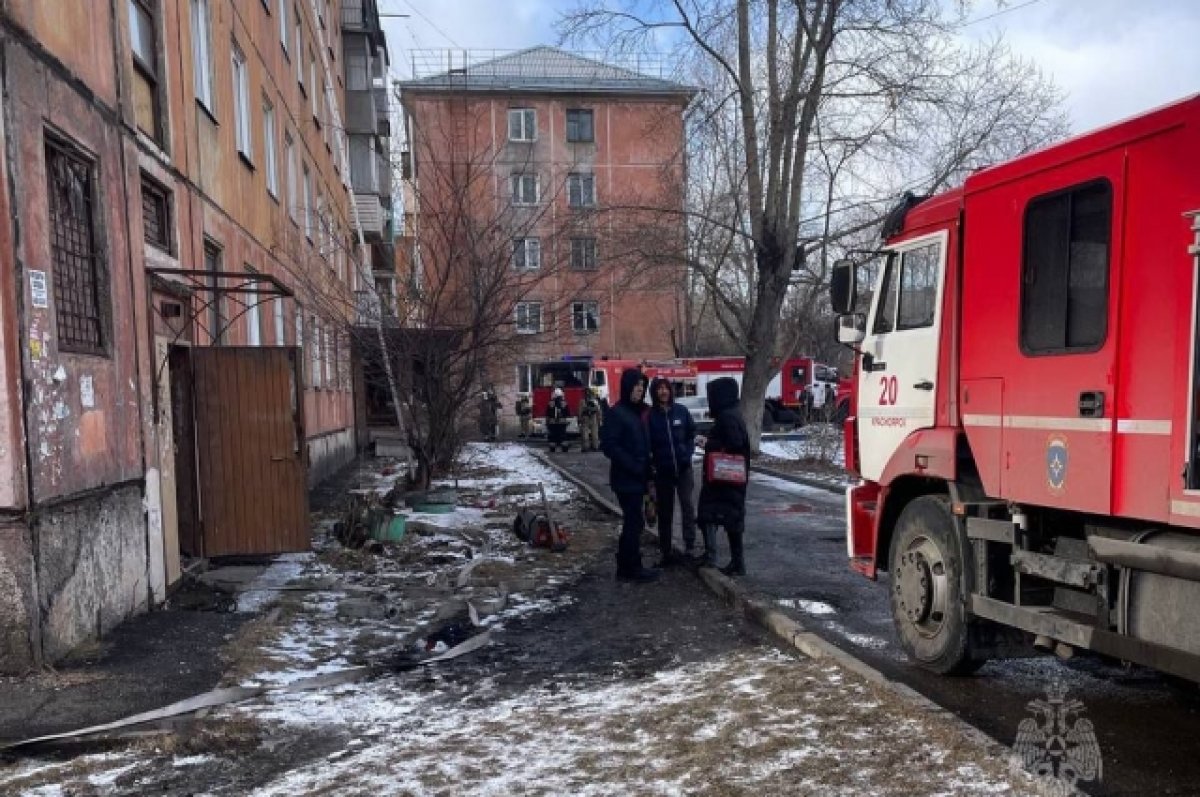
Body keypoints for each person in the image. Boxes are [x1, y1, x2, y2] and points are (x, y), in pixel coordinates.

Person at [600, 369, 659, 583]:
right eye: (636, 386)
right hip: (626, 479)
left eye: (642, 387)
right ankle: (630, 567)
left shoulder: (642, 411)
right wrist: (634, 466)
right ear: (627, 387)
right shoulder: (617, 413)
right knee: (634, 522)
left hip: (643, 476)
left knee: (636, 522)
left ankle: (627, 565)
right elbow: (609, 446)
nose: (640, 390)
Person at [696, 376, 751, 575]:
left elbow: (734, 443)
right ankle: (736, 563)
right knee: (729, 519)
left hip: (725, 479)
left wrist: (708, 444)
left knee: (709, 515)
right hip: (729, 480)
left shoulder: (727, 417)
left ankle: (718, 559)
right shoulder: (732, 414)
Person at [646, 377, 697, 566]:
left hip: (683, 468)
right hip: (663, 471)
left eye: (665, 388)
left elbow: (691, 433)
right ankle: (666, 551)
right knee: (665, 511)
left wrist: (688, 452)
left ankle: (690, 545)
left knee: (687, 506)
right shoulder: (651, 416)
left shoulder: (681, 412)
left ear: (670, 391)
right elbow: (647, 442)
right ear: (654, 392)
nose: (663, 392)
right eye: (659, 389)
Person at [545, 387, 571, 453]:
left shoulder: (550, 403)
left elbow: (547, 413)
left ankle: (552, 448)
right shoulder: (564, 403)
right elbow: (568, 413)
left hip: (552, 423)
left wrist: (547, 422)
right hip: (562, 423)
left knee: (552, 436)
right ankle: (564, 448)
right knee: (563, 436)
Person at [578, 388, 603, 452]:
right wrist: (600, 419)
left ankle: (585, 447)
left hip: (585, 417)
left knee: (585, 433)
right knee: (595, 433)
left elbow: (580, 411)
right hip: (593, 417)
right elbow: (599, 410)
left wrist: (579, 419)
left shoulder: (582, 401)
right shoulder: (595, 401)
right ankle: (595, 446)